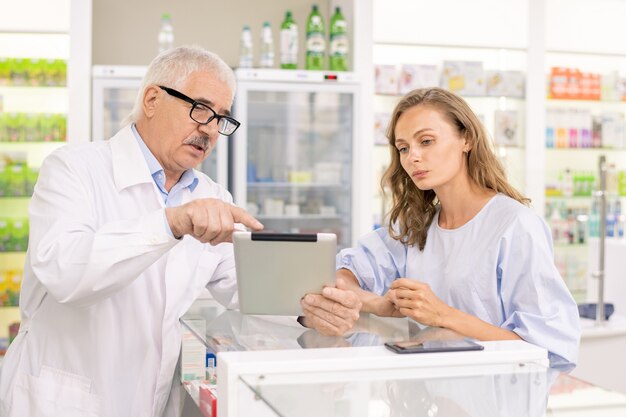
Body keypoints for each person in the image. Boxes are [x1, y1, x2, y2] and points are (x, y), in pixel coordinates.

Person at [0, 46, 264, 417]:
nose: (208, 129)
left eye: (220, 118)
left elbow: (243, 287)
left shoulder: (211, 195)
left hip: (149, 402)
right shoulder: (73, 168)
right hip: (60, 400)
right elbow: (65, 272)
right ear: (153, 99)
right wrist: (171, 223)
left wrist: (316, 301)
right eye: (200, 108)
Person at [301, 87, 580, 370]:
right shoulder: (416, 226)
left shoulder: (515, 225)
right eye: (404, 148)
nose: (412, 157)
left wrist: (442, 315)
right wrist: (375, 304)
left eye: (426, 141)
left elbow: (546, 349)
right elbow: (344, 272)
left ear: (466, 139)